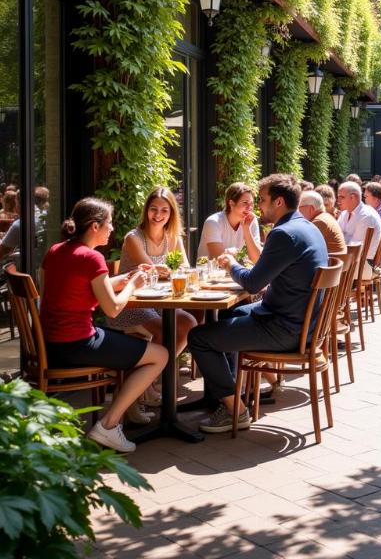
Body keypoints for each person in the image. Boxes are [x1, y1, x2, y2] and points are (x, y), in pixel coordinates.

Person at [188, 174, 328, 433]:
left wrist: (231, 264)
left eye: (261, 200)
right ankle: (232, 392)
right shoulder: (308, 228)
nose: (258, 206)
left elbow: (253, 283)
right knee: (232, 313)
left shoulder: (284, 234)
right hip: (304, 324)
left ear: (278, 202)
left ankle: (236, 411)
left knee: (198, 337)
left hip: (286, 329)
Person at [39, 198, 168, 452]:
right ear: (95, 226)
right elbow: (112, 308)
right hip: (77, 344)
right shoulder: (92, 258)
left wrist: (128, 277)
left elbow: (81, 287)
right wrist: (133, 285)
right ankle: (108, 426)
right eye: (109, 223)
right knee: (160, 355)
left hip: (52, 342)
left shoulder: (56, 250)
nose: (112, 228)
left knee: (141, 342)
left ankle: (124, 412)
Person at [104, 188, 197, 407]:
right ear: (146, 211)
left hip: (158, 304)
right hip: (129, 304)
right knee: (165, 329)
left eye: (164, 210)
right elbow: (151, 270)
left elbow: (184, 267)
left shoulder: (173, 237)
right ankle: (132, 393)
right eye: (154, 209)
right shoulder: (134, 238)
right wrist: (165, 270)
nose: (158, 215)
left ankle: (146, 383)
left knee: (189, 323)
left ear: (171, 213)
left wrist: (172, 270)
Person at [196, 182, 262, 262]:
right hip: (209, 272)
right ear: (231, 203)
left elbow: (257, 258)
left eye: (251, 203)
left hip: (234, 271)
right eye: (245, 203)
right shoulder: (213, 222)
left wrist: (246, 228)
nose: (250, 207)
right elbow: (219, 258)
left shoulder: (251, 220)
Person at [337, 181, 381, 261]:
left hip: (362, 264)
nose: (338, 200)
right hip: (349, 260)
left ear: (353, 197)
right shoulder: (345, 213)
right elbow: (337, 236)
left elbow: (354, 248)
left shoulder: (367, 216)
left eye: (342, 197)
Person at [299, 190, 346, 255]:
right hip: (334, 261)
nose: (298, 211)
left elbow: (302, 246)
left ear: (311, 208)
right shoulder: (325, 217)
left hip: (330, 262)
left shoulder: (319, 222)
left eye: (299, 207)